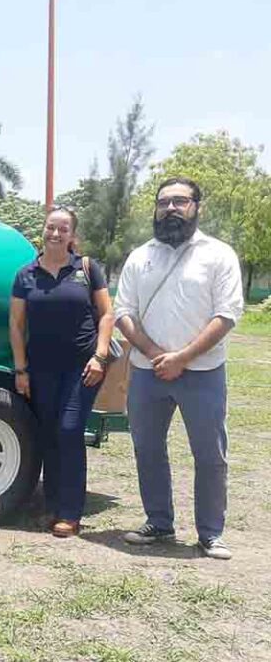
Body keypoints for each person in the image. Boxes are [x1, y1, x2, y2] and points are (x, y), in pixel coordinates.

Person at [115, 177, 244, 559]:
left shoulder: (219, 255)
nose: (170, 209)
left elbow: (227, 314)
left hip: (203, 373)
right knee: (148, 449)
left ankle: (210, 534)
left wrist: (183, 357)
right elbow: (123, 312)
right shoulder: (141, 257)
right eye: (163, 202)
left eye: (180, 202)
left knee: (210, 454)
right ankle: (159, 522)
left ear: (196, 207)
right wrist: (158, 355)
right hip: (148, 373)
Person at [9, 206, 114, 538]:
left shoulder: (86, 268)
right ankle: (52, 507)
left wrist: (100, 356)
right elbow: (16, 323)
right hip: (41, 368)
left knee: (69, 430)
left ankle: (71, 512)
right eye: (51, 227)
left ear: (72, 236)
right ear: (44, 230)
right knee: (48, 435)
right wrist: (21, 368)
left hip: (82, 367)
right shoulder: (26, 274)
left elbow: (107, 314)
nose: (55, 233)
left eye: (63, 229)